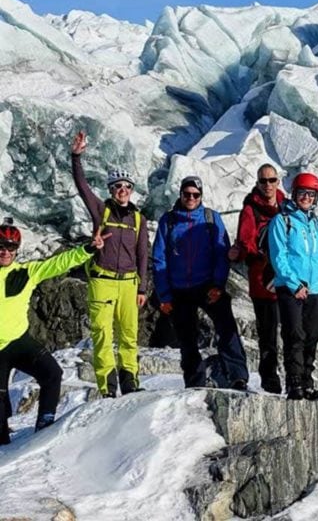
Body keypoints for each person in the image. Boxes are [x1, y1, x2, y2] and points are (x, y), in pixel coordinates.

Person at [0, 219, 107, 444]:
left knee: (52, 374)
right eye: (1, 245)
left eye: (10, 247)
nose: (5, 251)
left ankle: (44, 426)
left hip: (19, 341)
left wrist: (87, 249)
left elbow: (59, 263)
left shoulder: (25, 273)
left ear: (16, 250)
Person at [152, 176, 249, 390]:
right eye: (187, 194)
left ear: (201, 196)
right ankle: (194, 383)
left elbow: (221, 252)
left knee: (226, 327)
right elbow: (159, 258)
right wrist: (164, 295)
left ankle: (237, 376)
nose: (191, 198)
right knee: (187, 339)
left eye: (195, 194)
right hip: (179, 289)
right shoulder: (168, 221)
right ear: (180, 195)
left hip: (207, 285)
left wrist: (218, 285)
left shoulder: (210, 218)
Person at [71, 131, 148, 398]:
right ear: (111, 190)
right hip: (102, 281)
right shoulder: (101, 210)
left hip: (129, 284)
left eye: (127, 186)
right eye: (118, 187)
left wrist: (142, 288)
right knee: (103, 336)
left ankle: (130, 383)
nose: (123, 191)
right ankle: (107, 387)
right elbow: (82, 186)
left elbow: (142, 255)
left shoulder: (138, 219)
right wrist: (76, 156)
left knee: (129, 336)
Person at [268, 172, 318, 400]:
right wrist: (295, 284)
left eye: (311, 194)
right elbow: (279, 257)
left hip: (314, 289)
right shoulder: (282, 221)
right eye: (302, 193)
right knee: (294, 334)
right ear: (294, 194)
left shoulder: (315, 223)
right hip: (290, 288)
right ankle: (294, 381)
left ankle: (307, 378)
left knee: (312, 335)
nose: (306, 198)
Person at [228, 164, 285, 394]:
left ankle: (294, 376)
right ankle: (270, 378)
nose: (268, 185)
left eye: (272, 180)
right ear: (257, 182)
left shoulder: (286, 205)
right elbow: (245, 241)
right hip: (262, 280)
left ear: (278, 181)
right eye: (263, 181)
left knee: (293, 332)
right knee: (268, 333)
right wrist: (262, 252)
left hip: (286, 279)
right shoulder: (251, 210)